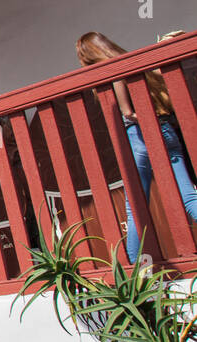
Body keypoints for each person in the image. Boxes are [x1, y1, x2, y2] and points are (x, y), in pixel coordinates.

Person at [75, 31, 197, 263]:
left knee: (135, 207)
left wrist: (137, 116)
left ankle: (133, 270)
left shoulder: (116, 69)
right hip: (166, 130)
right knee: (189, 196)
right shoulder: (134, 61)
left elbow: (127, 112)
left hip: (141, 136)